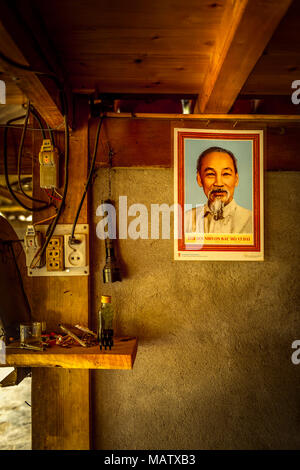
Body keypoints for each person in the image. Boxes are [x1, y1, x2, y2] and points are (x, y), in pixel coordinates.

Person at [185, 146, 253, 234]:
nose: (219, 183)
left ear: (236, 179)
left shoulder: (252, 221)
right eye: (211, 174)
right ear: (199, 179)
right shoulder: (186, 220)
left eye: (225, 174)